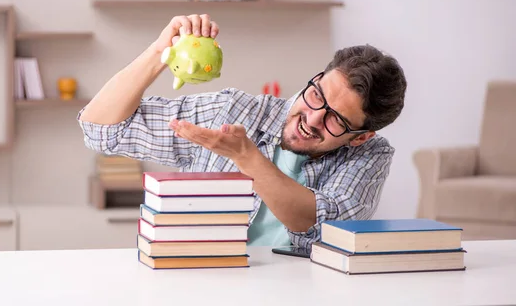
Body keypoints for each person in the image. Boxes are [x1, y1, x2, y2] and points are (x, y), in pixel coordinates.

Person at [77, 14, 407, 249]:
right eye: (317, 95)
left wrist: (245, 157)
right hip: (202, 283)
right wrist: (160, 52)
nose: (312, 118)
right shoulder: (236, 110)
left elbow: (319, 222)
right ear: (316, 78)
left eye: (336, 120)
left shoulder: (370, 155)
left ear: (361, 136)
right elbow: (101, 129)